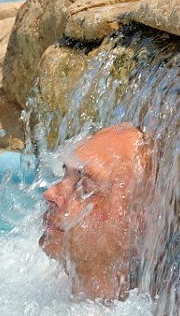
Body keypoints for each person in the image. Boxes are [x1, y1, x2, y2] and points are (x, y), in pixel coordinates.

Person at [39, 123, 148, 301]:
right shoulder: (26, 276)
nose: (49, 193)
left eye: (85, 187)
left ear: (139, 221)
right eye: (64, 174)